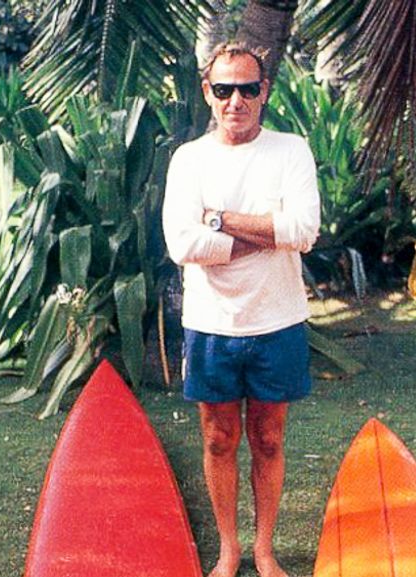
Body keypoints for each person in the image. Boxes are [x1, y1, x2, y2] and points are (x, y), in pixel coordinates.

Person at [162, 41, 320, 577]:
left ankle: (264, 549)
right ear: (208, 93)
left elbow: (303, 231)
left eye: (247, 88)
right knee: (217, 438)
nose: (236, 100)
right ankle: (229, 550)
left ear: (264, 91)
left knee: (269, 438)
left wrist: (219, 218)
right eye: (224, 89)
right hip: (211, 325)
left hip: (277, 320)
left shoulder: (290, 150)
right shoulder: (189, 160)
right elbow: (181, 245)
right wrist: (264, 229)